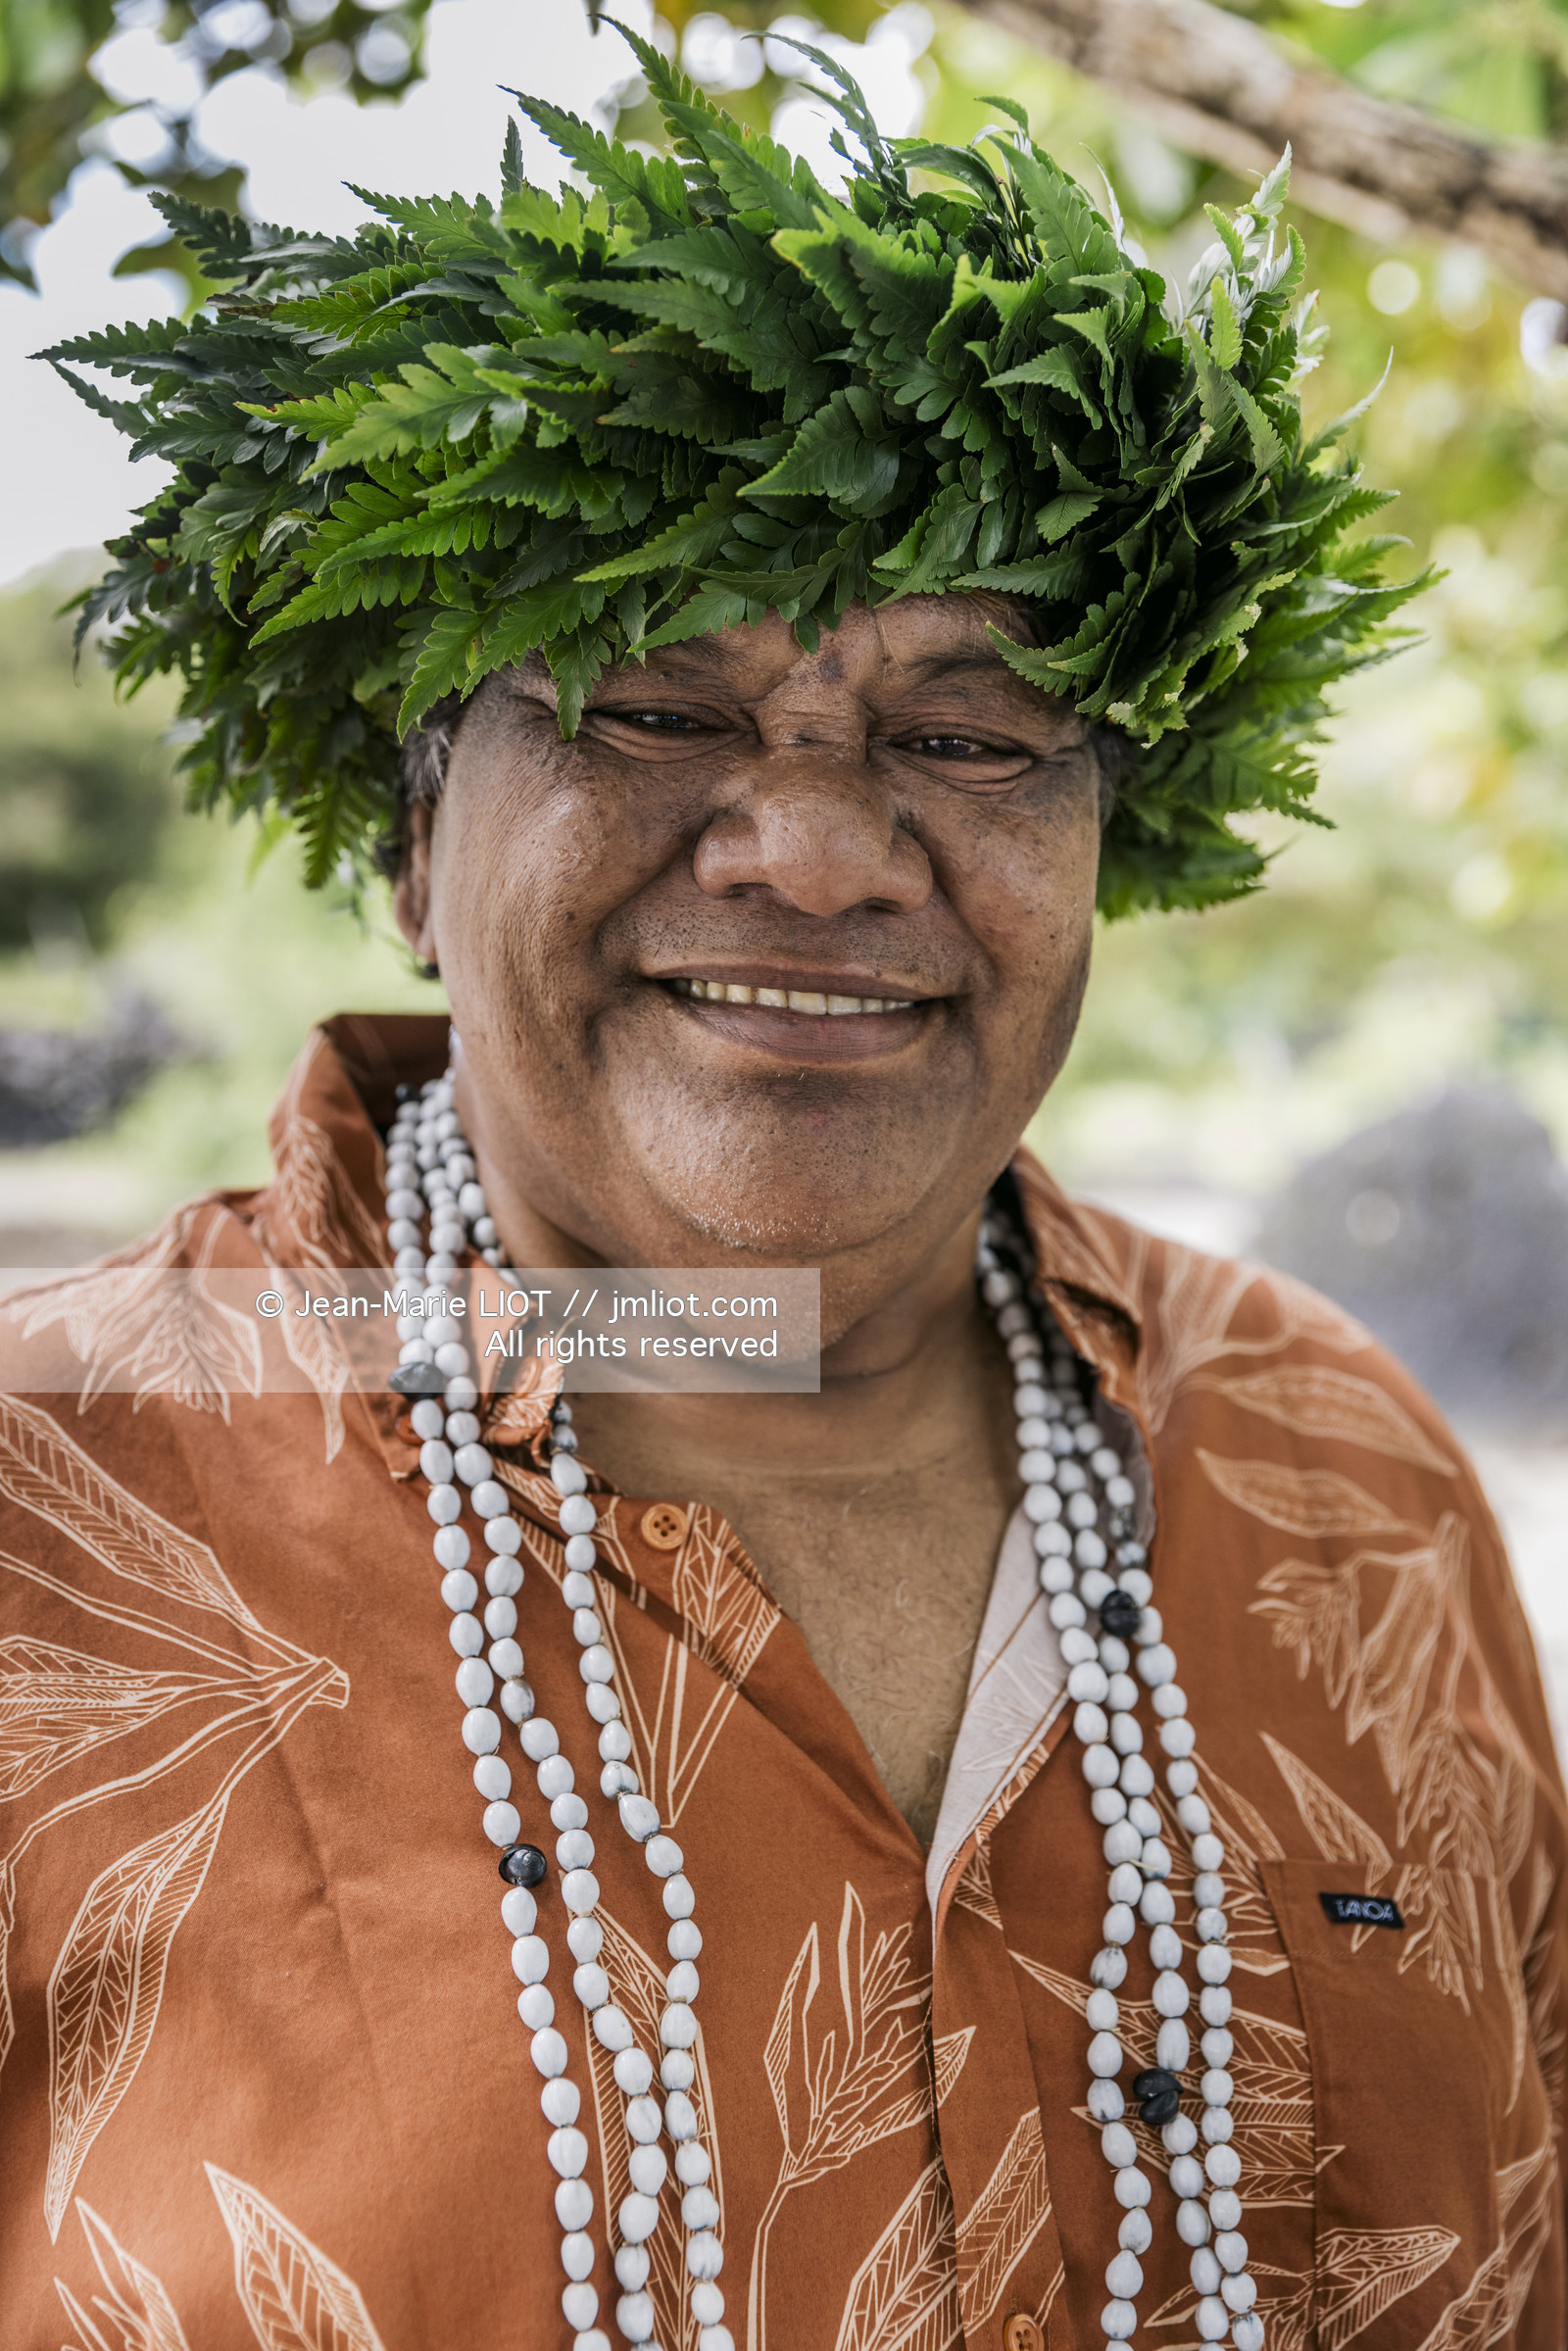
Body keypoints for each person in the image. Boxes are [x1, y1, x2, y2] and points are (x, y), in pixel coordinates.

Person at [4, 31, 1563, 2351]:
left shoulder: (1341, 1468)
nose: (818, 846)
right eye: (648, 705)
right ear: (417, 840)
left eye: (962, 731)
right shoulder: (49, 1509)